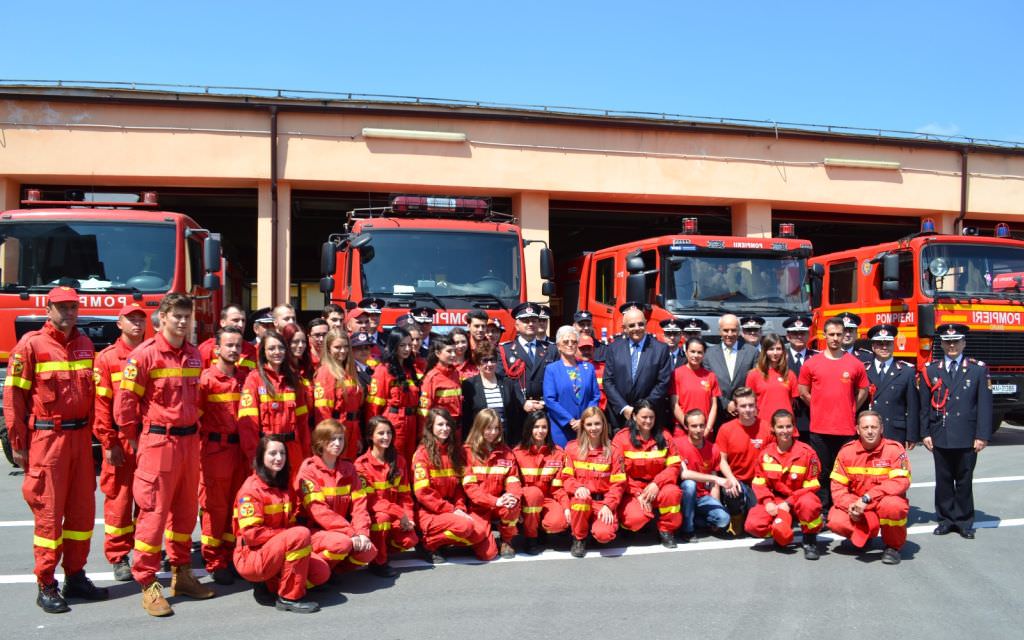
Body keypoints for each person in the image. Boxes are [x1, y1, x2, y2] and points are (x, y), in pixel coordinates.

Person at [4, 286, 108, 613]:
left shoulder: (84, 345)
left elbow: (93, 396)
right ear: (48, 309)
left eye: (73, 307)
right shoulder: (31, 345)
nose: (68, 313)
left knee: (81, 514)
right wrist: (18, 443)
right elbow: (13, 399)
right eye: (61, 307)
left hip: (79, 440)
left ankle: (75, 576)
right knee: (49, 515)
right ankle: (46, 583)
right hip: (48, 440)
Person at [114, 293, 213, 616]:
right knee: (153, 517)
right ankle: (148, 583)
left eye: (187, 316)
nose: (183, 322)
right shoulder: (145, 356)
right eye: (177, 316)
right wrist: (135, 443)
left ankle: (182, 573)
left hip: (188, 444)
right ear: (164, 318)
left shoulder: (194, 355)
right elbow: (125, 408)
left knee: (185, 513)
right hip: (158, 444)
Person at [233, 435, 329, 613]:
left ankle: (271, 584)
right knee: (299, 534)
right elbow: (252, 535)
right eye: (272, 453)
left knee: (321, 573)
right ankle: (288, 597)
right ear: (261, 456)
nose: (279, 458)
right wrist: (287, 535)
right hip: (252, 555)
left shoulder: (283, 486)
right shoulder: (251, 489)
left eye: (282, 453)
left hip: (274, 550)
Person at [920, 323, 992, 539]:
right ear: (941, 344)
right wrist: (925, 433)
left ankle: (963, 521)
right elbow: (925, 406)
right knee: (943, 479)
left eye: (956, 341)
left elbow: (984, 406)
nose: (952, 345)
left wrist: (982, 435)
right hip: (940, 432)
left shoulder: (977, 369)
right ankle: (945, 519)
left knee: (964, 479)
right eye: (947, 341)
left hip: (967, 435)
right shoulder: (932, 369)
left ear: (964, 343)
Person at [93, 301, 147, 582]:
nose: (137, 323)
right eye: (131, 319)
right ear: (120, 323)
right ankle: (118, 557)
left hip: (149, 438)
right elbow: (101, 403)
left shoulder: (152, 353)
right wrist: (108, 441)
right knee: (119, 499)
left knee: (148, 499)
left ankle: (144, 549)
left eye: (141, 318)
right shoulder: (107, 358)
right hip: (121, 439)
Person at [798, 316, 869, 514]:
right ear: (824, 336)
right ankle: (822, 510)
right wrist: (819, 406)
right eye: (832, 334)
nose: (836, 338)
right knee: (821, 472)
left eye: (839, 334)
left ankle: (842, 508)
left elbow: (863, 390)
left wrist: (852, 407)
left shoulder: (855, 364)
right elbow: (803, 391)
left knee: (844, 473)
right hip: (819, 429)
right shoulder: (812, 363)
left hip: (845, 428)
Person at [197, 326, 249, 585]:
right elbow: (195, 419)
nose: (234, 350)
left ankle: (229, 555)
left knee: (235, 508)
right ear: (216, 349)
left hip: (240, 452)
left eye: (237, 345)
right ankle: (214, 560)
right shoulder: (206, 380)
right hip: (216, 451)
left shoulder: (245, 378)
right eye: (229, 345)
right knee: (215, 509)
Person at [412, 408, 496, 563]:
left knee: (481, 538)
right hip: (429, 512)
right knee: (465, 526)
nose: (445, 429)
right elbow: (423, 493)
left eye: (448, 425)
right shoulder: (422, 454)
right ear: (431, 427)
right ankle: (427, 543)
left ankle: (443, 540)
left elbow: (459, 488)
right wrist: (452, 510)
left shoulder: (454, 452)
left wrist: (460, 508)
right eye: (440, 424)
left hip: (452, 511)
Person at [295, 420, 377, 577]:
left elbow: (359, 505)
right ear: (321, 441)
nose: (337, 443)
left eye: (340, 439)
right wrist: (350, 533)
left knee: (368, 551)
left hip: (340, 532)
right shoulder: (309, 470)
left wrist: (362, 533)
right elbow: (319, 511)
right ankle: (311, 575)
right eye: (332, 439)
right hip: (313, 531)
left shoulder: (348, 469)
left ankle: (332, 571)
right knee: (342, 543)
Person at [829, 411, 911, 565]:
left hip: (881, 502)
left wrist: (867, 499)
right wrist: (851, 506)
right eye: (865, 427)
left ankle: (893, 547)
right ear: (858, 430)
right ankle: (865, 535)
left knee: (894, 506)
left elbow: (901, 482)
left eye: (874, 427)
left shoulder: (895, 450)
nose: (870, 431)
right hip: (858, 504)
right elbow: (838, 488)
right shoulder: (846, 452)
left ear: (881, 429)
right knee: (835, 520)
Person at [744, 410, 823, 560]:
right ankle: (780, 530)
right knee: (753, 525)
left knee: (810, 504)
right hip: (777, 500)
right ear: (773, 429)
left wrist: (790, 502)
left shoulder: (807, 453)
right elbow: (760, 482)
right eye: (780, 427)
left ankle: (810, 539)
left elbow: (812, 485)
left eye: (788, 426)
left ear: (794, 428)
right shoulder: (765, 454)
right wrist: (768, 502)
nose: (785, 431)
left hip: (800, 498)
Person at [238, 329, 313, 484]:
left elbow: (302, 422)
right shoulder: (254, 380)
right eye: (271, 348)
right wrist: (255, 457)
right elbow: (247, 426)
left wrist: (306, 454)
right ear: (263, 352)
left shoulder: (293, 380)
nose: (277, 352)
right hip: (267, 452)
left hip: (293, 450)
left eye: (281, 348)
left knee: (294, 498)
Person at [354, 416, 419, 577]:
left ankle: (381, 547)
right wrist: (400, 513)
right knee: (382, 519)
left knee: (410, 540)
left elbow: (405, 495)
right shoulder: (361, 465)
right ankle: (378, 562)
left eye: (389, 433)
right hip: (374, 516)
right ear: (370, 436)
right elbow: (371, 501)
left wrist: (409, 518)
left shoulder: (399, 461)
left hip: (395, 516)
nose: (386, 437)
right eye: (381, 433)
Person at [613, 400, 682, 548]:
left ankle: (666, 531)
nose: (648, 421)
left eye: (651, 417)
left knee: (672, 493)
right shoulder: (621, 438)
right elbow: (619, 472)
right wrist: (638, 493)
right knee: (635, 519)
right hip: (631, 489)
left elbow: (674, 466)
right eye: (644, 417)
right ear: (634, 417)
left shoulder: (665, 436)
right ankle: (627, 527)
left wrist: (656, 484)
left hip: (658, 486)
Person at [561, 406, 628, 557]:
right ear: (583, 426)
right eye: (589, 424)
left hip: (602, 502)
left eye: (597, 424)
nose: (593, 428)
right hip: (582, 500)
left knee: (604, 536)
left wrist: (608, 505)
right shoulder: (572, 448)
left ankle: (594, 527)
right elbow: (566, 477)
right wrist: (577, 487)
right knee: (581, 499)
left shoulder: (614, 450)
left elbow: (618, 484)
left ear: (604, 425)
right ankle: (579, 538)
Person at [462, 409, 523, 558]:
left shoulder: (506, 452)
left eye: (496, 428)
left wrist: (513, 496)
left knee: (513, 505)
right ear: (479, 427)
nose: (493, 432)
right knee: (487, 554)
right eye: (488, 428)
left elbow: (513, 479)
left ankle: (507, 540)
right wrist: (496, 501)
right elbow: (471, 489)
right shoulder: (467, 452)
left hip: (499, 503)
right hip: (477, 507)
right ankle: (480, 538)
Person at [602, 306, 673, 432]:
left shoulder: (660, 349)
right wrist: (624, 407)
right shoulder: (613, 348)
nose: (637, 328)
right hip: (620, 418)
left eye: (640, 324)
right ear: (624, 328)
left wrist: (643, 409)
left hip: (649, 419)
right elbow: (608, 381)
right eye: (632, 325)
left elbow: (663, 383)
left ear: (646, 324)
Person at [512, 411, 570, 554]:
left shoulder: (557, 453)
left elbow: (558, 488)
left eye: (544, 427)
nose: (540, 431)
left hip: (547, 500)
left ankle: (539, 528)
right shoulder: (517, 453)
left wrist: (566, 507)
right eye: (536, 427)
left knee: (558, 523)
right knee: (533, 494)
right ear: (529, 429)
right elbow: (513, 485)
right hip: (526, 500)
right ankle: (530, 537)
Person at [715, 387, 769, 533]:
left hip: (759, 482)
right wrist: (731, 479)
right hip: (738, 481)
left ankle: (750, 514)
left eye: (751, 405)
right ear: (736, 408)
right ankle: (736, 519)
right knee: (730, 490)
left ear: (756, 405)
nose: (748, 409)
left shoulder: (766, 427)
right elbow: (722, 460)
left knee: (759, 526)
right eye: (743, 406)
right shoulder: (726, 429)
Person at [366, 327, 422, 464]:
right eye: (402, 345)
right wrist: (373, 431)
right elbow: (374, 406)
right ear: (393, 346)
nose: (407, 349)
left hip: (412, 422)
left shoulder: (410, 370)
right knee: (393, 460)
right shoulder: (383, 370)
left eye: (409, 345)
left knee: (410, 462)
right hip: (394, 422)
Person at [676, 409, 731, 541]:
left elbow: (714, 485)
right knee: (690, 484)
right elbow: (684, 474)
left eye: (702, 425)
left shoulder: (714, 448)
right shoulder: (677, 444)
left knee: (723, 519)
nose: (699, 429)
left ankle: (694, 519)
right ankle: (687, 530)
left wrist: (716, 504)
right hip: (683, 496)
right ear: (686, 427)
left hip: (703, 498)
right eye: (694, 426)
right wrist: (716, 478)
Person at [543, 325, 601, 447]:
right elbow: (550, 400)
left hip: (586, 428)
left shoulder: (588, 368)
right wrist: (570, 421)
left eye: (574, 342)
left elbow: (595, 396)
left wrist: (585, 420)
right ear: (558, 345)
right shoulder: (551, 369)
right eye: (566, 341)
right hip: (561, 429)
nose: (570, 344)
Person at [864, 324, 919, 446]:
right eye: (880, 343)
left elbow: (912, 406)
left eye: (888, 343)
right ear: (873, 346)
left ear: (893, 345)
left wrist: (912, 436)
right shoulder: (864, 370)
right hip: (869, 431)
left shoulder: (906, 371)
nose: (884, 347)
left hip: (895, 431)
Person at [313, 329, 364, 461]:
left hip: (351, 430)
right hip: (336, 432)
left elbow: (355, 409)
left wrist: (357, 436)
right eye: (337, 347)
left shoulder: (349, 372)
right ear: (329, 349)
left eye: (345, 347)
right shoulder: (326, 372)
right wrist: (329, 438)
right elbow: (323, 413)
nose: (342, 351)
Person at [702, 314, 758, 429]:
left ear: (739, 331)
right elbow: (709, 385)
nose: (729, 334)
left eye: (733, 330)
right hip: (718, 414)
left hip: (744, 413)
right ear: (719, 331)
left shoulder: (751, 352)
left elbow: (755, 383)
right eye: (726, 330)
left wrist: (739, 404)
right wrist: (726, 404)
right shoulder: (709, 354)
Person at [461, 341, 524, 443]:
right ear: (477, 363)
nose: (489, 364)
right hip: (479, 440)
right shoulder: (469, 385)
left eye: (492, 360)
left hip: (505, 440)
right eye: (485, 360)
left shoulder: (507, 383)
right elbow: (466, 419)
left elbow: (514, 417)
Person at [497, 302, 551, 415]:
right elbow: (502, 383)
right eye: (526, 321)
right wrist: (522, 402)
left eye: (534, 320)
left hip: (544, 411)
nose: (530, 324)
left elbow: (556, 381)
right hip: (517, 411)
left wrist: (545, 402)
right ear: (517, 326)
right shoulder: (504, 350)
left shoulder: (551, 349)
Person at [744, 333, 798, 432]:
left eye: (778, 349)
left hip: (785, 429)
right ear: (764, 351)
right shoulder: (753, 375)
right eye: (771, 349)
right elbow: (750, 402)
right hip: (763, 426)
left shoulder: (790, 375)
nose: (775, 352)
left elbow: (792, 401)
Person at [671, 337, 720, 438]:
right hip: (683, 430)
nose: (695, 355)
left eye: (699, 352)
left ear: (704, 354)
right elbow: (674, 405)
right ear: (686, 352)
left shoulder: (710, 376)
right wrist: (689, 426)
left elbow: (714, 405)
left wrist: (707, 428)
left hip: (704, 432)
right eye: (692, 352)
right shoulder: (677, 374)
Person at [198, 303, 258, 375]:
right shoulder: (207, 349)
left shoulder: (251, 351)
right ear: (223, 323)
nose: (241, 325)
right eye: (235, 320)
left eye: (243, 320)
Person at [783, 315, 816, 438]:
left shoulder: (817, 357)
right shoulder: (780, 358)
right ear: (788, 336)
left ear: (808, 335)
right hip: (786, 416)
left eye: (802, 333)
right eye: (794, 333)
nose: (799, 336)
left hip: (811, 416)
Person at [419, 334, 463, 423]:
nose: (453, 354)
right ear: (438, 353)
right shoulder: (432, 378)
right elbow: (424, 411)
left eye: (454, 351)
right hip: (440, 429)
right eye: (449, 351)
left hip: (456, 428)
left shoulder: (455, 373)